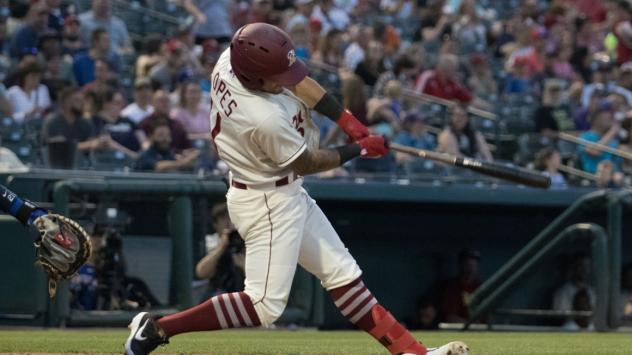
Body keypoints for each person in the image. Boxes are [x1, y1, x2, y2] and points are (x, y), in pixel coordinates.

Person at [124, 23, 468, 355]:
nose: (285, 82)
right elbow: (306, 163)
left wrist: (349, 122)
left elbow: (300, 82)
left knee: (343, 275)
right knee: (264, 306)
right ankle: (158, 328)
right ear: (256, 77)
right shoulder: (263, 118)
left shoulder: (232, 59)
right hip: (267, 199)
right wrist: (358, 149)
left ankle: (412, 352)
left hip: (280, 190)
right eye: (276, 78)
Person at [40, 87, 99, 168]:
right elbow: (60, 147)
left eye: (82, 101)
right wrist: (87, 145)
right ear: (65, 103)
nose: (81, 104)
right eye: (77, 100)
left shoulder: (85, 122)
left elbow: (93, 143)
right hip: (56, 165)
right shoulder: (53, 121)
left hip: (81, 165)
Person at [195, 202, 245, 299]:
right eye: (224, 219)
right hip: (219, 296)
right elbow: (201, 273)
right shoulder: (211, 242)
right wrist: (222, 247)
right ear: (215, 225)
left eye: (232, 218)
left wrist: (244, 266)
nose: (229, 223)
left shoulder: (247, 241)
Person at [552, 252, 596, 330]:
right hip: (570, 328)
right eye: (580, 266)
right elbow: (559, 315)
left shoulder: (593, 291)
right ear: (574, 268)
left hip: (590, 328)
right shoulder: (563, 291)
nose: (584, 270)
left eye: (587, 266)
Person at [133, 122, 199, 172]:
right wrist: (183, 163)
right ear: (151, 137)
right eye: (160, 135)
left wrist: (190, 160)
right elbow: (158, 167)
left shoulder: (170, 153)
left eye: (168, 135)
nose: (165, 139)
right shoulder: (145, 154)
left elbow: (177, 161)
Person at [438, 249, 482, 324]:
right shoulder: (452, 287)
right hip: (458, 332)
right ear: (460, 265)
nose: (470, 268)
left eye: (473, 264)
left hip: (480, 332)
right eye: (467, 264)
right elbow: (450, 318)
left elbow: (486, 319)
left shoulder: (481, 287)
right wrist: (470, 325)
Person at [578, 101, 622, 175]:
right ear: (595, 117)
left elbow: (618, 163)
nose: (610, 116)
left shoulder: (614, 140)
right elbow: (595, 151)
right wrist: (612, 131)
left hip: (615, 180)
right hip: (593, 180)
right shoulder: (585, 137)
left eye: (611, 113)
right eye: (606, 112)